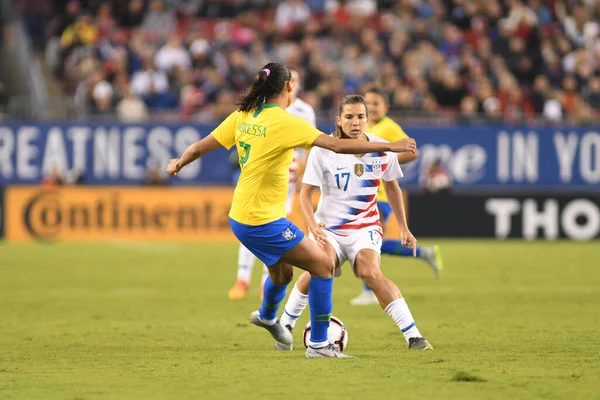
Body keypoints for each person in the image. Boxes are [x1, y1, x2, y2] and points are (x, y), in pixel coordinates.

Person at [167, 63, 417, 358]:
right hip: (261, 221)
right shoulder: (286, 123)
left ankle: (269, 316)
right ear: (288, 88)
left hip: (241, 216)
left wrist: (178, 163)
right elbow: (337, 145)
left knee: (283, 273)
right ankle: (321, 345)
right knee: (323, 264)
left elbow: (197, 148)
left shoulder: (243, 115)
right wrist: (389, 146)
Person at [277, 95, 432, 350]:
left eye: (360, 116)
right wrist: (312, 224)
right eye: (349, 116)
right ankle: (286, 324)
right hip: (329, 228)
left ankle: (413, 336)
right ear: (338, 120)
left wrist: (404, 227)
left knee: (371, 272)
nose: (355, 122)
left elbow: (391, 187)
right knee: (320, 269)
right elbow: (305, 194)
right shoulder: (323, 149)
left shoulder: (382, 146)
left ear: (367, 119)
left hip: (365, 227)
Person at [347, 88, 444, 306]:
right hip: (366, 193)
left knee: (366, 242)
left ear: (386, 107)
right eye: (368, 103)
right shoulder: (365, 127)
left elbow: (412, 151)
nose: (371, 107)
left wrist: (385, 163)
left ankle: (369, 290)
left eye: (376, 103)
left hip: (381, 195)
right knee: (373, 242)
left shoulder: (388, 127)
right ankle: (422, 253)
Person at [229, 67, 316, 301]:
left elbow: (309, 148)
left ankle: (263, 283)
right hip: (262, 173)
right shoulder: (262, 108)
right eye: (291, 80)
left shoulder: (305, 111)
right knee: (257, 225)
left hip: (288, 176)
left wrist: (304, 177)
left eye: (297, 80)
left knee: (269, 226)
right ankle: (242, 278)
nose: (293, 84)